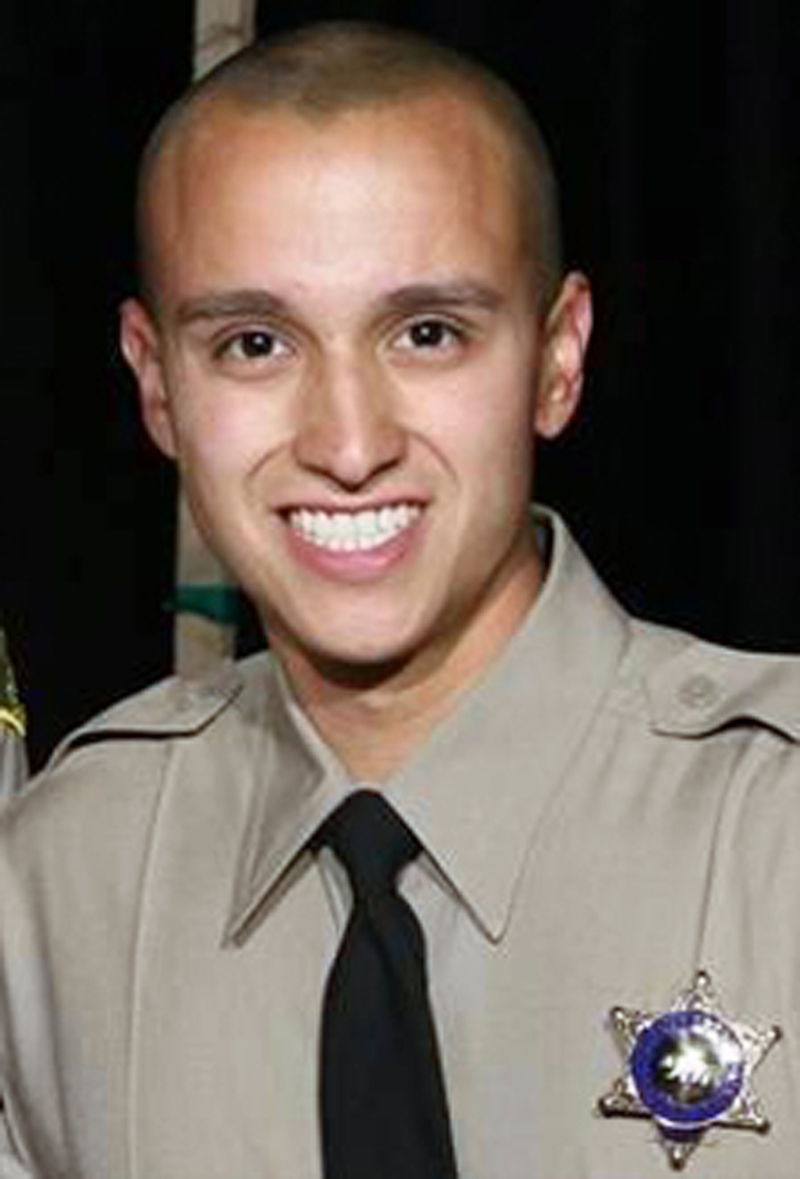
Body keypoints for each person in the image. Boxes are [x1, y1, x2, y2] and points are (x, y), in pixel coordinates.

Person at [1, 21, 799, 1179]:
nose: (348, 443)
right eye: (255, 344)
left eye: (426, 334)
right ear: (157, 384)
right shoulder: (59, 882)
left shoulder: (773, 832)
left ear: (556, 356)